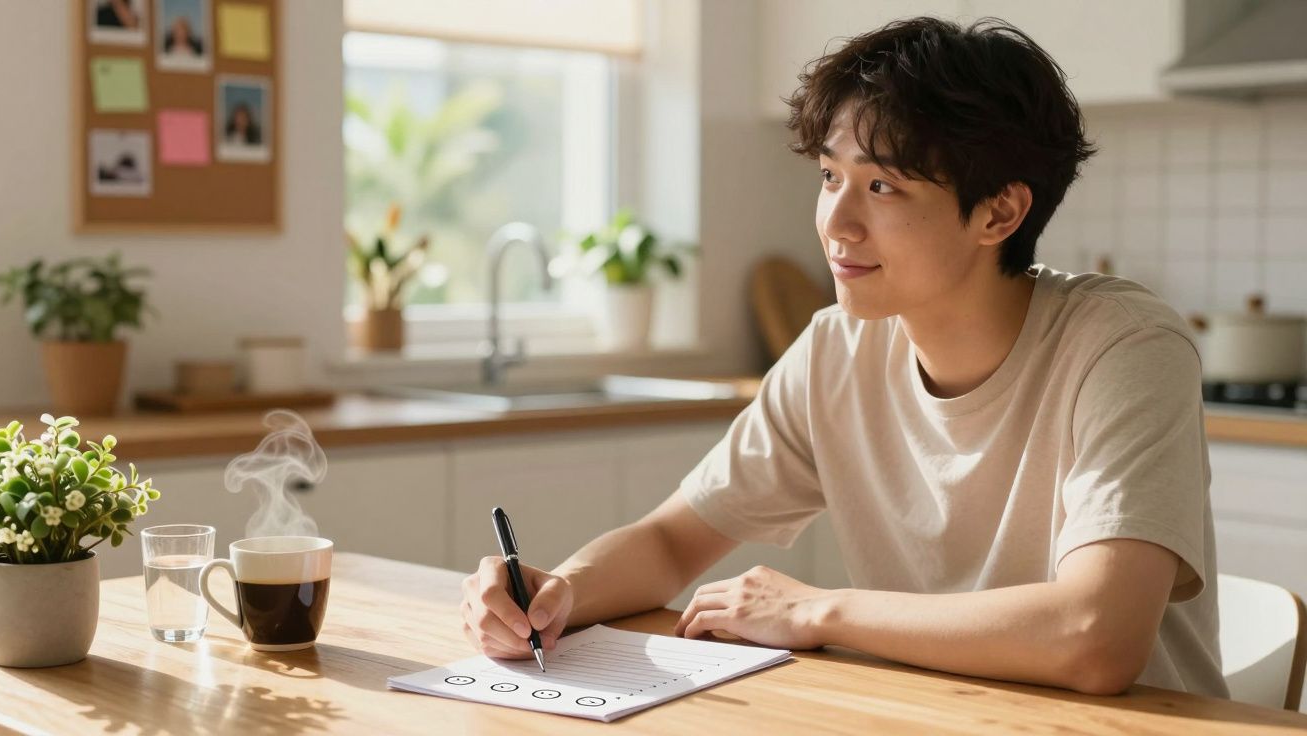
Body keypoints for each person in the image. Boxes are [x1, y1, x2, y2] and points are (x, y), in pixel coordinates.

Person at [460, 16, 1228, 698]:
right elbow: (670, 542)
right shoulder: (837, 348)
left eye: (883, 187)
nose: (837, 222)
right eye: (830, 177)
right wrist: (555, 591)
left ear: (1000, 211)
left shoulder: (1124, 347)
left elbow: (1096, 639)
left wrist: (818, 610)